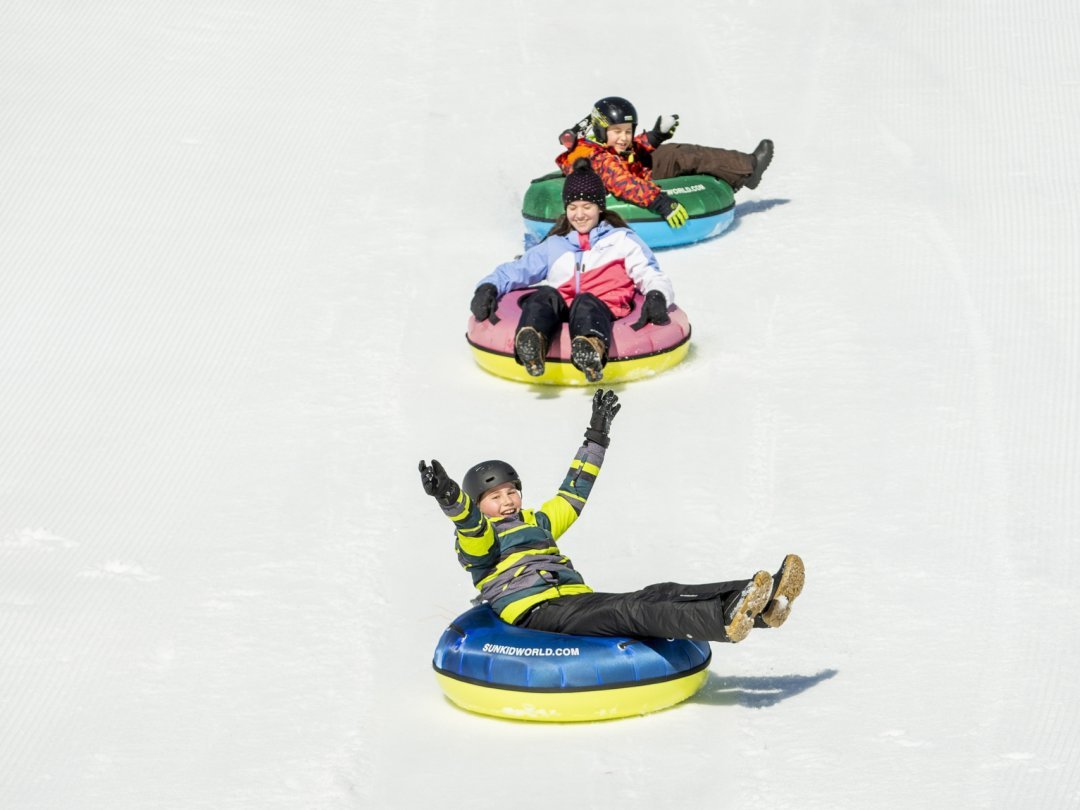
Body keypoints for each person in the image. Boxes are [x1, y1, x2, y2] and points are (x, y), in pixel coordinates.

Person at [418, 390, 805, 644]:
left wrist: (597, 437)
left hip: (573, 600)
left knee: (659, 592)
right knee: (629, 611)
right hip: (537, 613)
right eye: (494, 497)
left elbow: (574, 491)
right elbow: (470, 526)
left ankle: (763, 599)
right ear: (478, 504)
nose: (507, 501)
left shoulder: (538, 522)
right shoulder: (477, 536)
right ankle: (727, 614)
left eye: (511, 491)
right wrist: (450, 498)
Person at [470, 159, 675, 382]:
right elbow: (518, 270)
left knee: (585, 301)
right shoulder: (555, 245)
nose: (579, 215)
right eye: (572, 207)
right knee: (544, 296)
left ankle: (590, 349)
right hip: (564, 311)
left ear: (600, 208)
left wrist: (657, 295)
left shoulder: (622, 240)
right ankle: (532, 342)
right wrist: (487, 287)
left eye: (587, 206)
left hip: (606, 310)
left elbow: (650, 273)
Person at [556, 96, 774, 230]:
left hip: (637, 169)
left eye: (628, 132)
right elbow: (623, 184)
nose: (624, 138)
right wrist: (660, 202)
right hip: (637, 181)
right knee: (681, 156)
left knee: (678, 152)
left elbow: (629, 152)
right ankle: (745, 170)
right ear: (602, 130)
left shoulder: (608, 145)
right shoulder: (598, 158)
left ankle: (747, 167)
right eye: (617, 132)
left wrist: (655, 137)